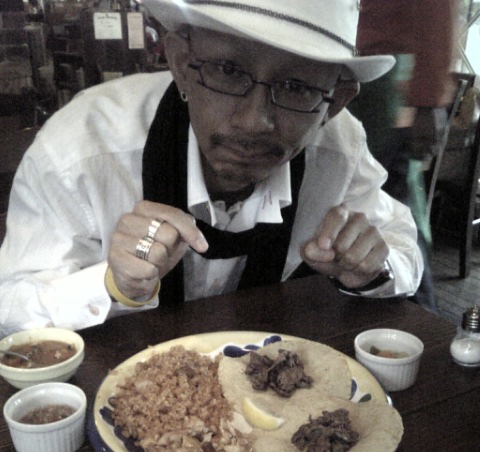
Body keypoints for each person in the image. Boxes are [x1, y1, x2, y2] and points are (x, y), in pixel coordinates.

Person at [0, 0, 423, 337]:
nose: (253, 122)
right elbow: (10, 306)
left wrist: (370, 268)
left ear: (337, 102)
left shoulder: (340, 150)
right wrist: (111, 285)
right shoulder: (82, 150)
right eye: (228, 70)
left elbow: (402, 251)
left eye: (297, 87)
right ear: (180, 64)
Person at [350, 0, 459, 312]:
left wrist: (428, 103)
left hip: (385, 85)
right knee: (359, 203)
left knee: (390, 209)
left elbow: (438, 12)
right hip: (356, 75)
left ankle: (423, 318)